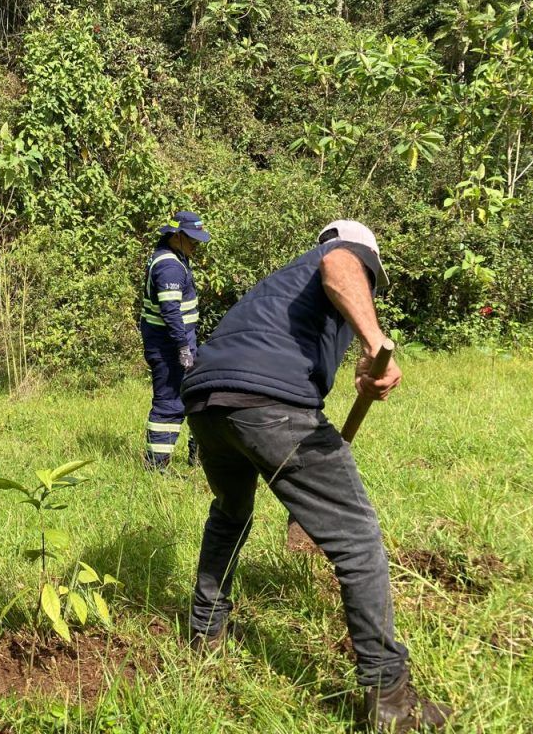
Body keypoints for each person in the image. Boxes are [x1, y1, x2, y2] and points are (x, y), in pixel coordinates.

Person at [180, 220, 452, 732]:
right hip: (268, 404)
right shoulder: (345, 255)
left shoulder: (282, 286)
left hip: (207, 402)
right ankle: (388, 698)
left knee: (231, 512)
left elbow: (288, 349)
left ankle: (204, 632)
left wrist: (361, 370)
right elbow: (340, 266)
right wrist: (375, 340)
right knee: (357, 539)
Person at [139, 211, 210, 471]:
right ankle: (157, 466)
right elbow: (171, 311)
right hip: (170, 347)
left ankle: (198, 456)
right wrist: (182, 347)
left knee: (196, 396)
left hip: (178, 344)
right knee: (169, 404)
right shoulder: (169, 266)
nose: (196, 245)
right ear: (177, 236)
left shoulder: (174, 257)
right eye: (192, 239)